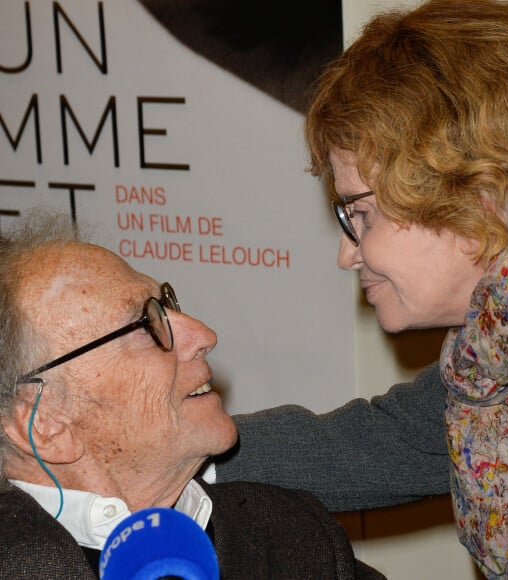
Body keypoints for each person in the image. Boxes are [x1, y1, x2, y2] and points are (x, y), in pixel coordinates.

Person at [212, 0, 508, 578]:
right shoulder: (503, 348)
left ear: (475, 193)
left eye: (359, 215)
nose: (346, 254)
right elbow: (376, 444)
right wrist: (177, 449)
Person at [0, 213, 385, 580]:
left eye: (166, 304)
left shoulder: (292, 533)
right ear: (44, 423)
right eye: (145, 324)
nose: (203, 335)